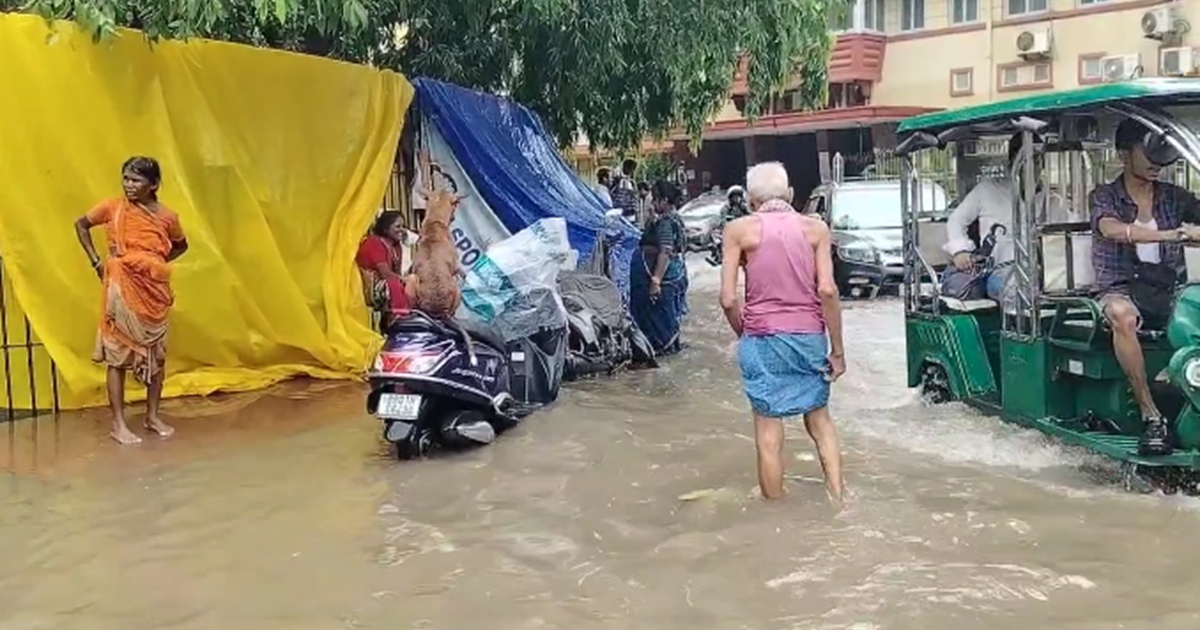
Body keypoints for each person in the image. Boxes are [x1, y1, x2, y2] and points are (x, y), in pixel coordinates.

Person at [719, 161, 845, 503]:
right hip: (809, 337)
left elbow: (728, 299)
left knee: (768, 431)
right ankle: (838, 497)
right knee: (819, 421)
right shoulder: (816, 229)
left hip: (762, 338)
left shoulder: (738, 231)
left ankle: (775, 514)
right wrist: (837, 351)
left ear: (750, 201)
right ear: (790, 195)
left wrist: (746, 333)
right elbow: (828, 291)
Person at [1091, 118, 1200, 455]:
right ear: (1124, 154)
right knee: (1122, 316)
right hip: (1120, 289)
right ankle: (1150, 412)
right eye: (1149, 152)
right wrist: (1173, 234)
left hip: (1168, 289)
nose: (1157, 162)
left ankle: (1181, 376)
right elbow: (1110, 229)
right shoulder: (1105, 196)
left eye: (1164, 153)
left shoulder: (1174, 196)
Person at [74, 157, 188, 445]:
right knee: (118, 355)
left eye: (136, 180)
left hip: (153, 292)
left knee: (156, 355)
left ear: (153, 185)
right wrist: (97, 262)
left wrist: (151, 265)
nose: (129, 185)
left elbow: (181, 244)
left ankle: (152, 416)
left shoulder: (167, 216)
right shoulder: (112, 208)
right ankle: (118, 424)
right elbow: (81, 225)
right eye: (126, 178)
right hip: (120, 287)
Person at [942, 132, 1072, 302]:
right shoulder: (987, 190)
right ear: (1013, 163)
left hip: (1047, 277)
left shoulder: (1053, 202)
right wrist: (960, 250)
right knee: (1018, 292)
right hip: (1000, 273)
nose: (1034, 167)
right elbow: (956, 220)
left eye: (1037, 161)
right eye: (1026, 161)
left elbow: (1068, 239)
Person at [629, 180, 689, 356]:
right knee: (669, 319)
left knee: (659, 321)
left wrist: (656, 281)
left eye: (655, 199)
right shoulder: (675, 218)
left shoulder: (665, 222)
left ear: (664, 200)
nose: (653, 203)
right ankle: (671, 348)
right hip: (675, 276)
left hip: (665, 278)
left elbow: (665, 252)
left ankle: (663, 352)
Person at [356, 210, 411, 326]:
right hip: (368, 285)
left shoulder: (396, 246)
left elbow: (396, 272)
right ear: (386, 228)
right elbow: (386, 273)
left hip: (385, 282)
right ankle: (399, 318)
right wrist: (406, 280)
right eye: (398, 226)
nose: (402, 229)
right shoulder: (374, 243)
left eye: (403, 226)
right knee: (398, 284)